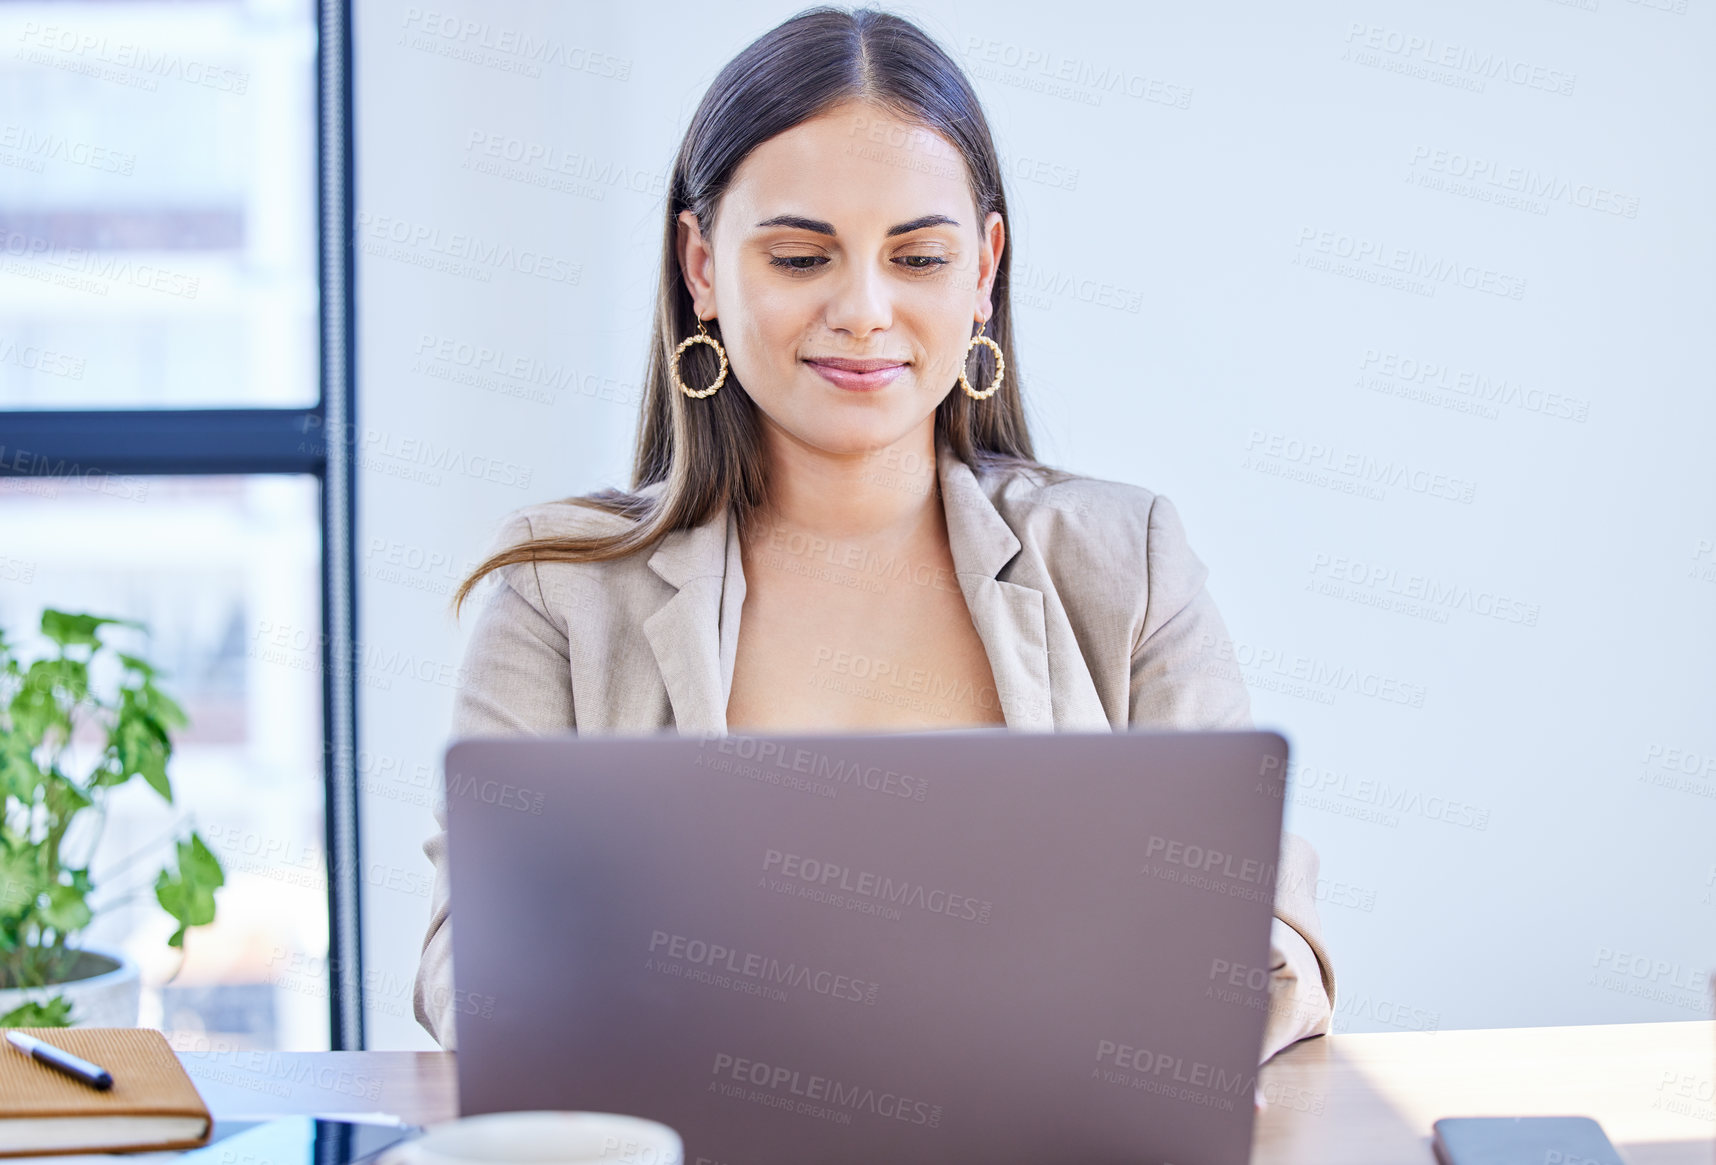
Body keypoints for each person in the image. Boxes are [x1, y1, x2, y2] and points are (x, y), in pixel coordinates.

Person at [412, 5, 1336, 1062]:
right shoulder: (558, 593)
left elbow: (1262, 935)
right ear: (702, 265)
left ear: (983, 270)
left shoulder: (1128, 562)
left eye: (920, 257)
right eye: (803, 258)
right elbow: (472, 965)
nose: (862, 310)